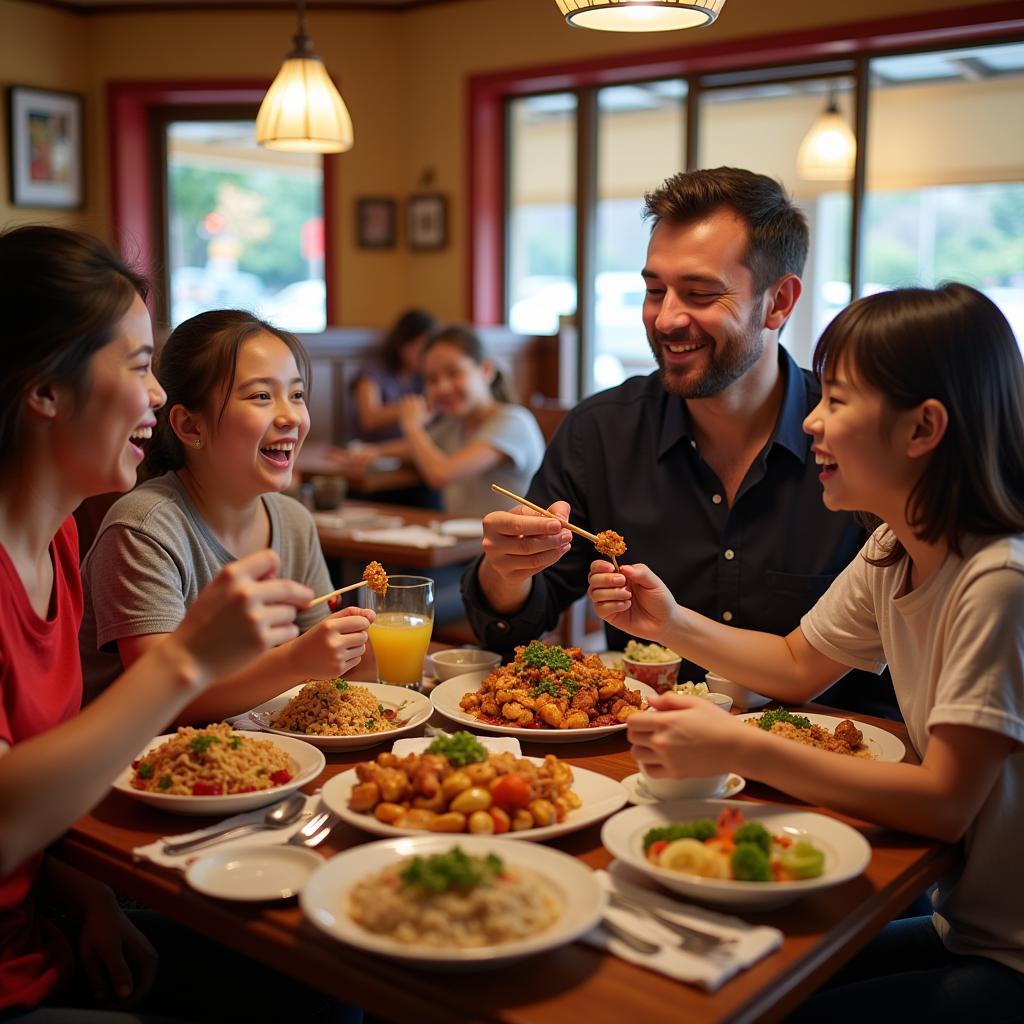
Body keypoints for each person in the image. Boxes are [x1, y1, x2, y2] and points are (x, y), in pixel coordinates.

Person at [587, 283, 1024, 1021]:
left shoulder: (998, 579)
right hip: (968, 926)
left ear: (923, 429)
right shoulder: (895, 546)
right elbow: (797, 664)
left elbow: (945, 803)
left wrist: (738, 746)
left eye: (839, 400)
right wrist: (671, 621)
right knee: (740, 980)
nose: (812, 422)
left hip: (1008, 955)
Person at [0, 225, 336, 1020]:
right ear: (46, 391)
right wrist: (187, 660)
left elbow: (42, 793)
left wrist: (88, 903)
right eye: (140, 366)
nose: (157, 395)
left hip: (52, 928)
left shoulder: (55, 542)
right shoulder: (131, 527)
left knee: (325, 976)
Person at [460, 166, 892, 715]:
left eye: (699, 293)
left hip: (830, 760)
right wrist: (505, 571)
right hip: (644, 755)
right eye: (654, 290)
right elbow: (517, 621)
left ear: (779, 302)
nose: (665, 319)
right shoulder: (602, 431)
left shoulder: (851, 443)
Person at [79, 310, 374, 721]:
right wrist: (296, 661)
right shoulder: (144, 528)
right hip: (141, 767)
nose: (291, 416)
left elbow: (322, 670)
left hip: (264, 750)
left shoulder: (293, 521)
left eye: (297, 395)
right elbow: (158, 703)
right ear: (189, 425)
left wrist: (357, 643)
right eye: (261, 396)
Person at [347, 325, 546, 624]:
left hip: (512, 569)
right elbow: (408, 449)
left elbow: (441, 473)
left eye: (453, 373)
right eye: (431, 380)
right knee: (372, 591)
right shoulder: (455, 425)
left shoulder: (512, 421)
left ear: (486, 370)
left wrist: (412, 425)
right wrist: (368, 453)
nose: (441, 388)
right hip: (461, 560)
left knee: (401, 607)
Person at [349, 308, 437, 443]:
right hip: (369, 450)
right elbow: (368, 419)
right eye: (421, 348)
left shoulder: (428, 376)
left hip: (409, 450)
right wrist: (414, 409)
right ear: (402, 344)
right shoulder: (373, 371)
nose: (426, 356)